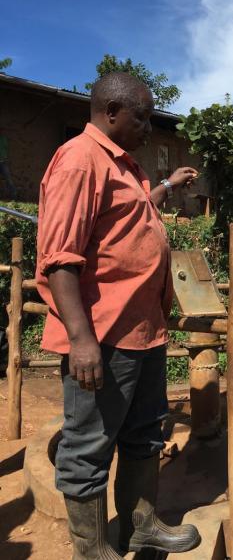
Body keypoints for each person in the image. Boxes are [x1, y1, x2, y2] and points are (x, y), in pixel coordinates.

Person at [36, 72, 201, 558]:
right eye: (143, 117)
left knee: (144, 434)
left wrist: (166, 186)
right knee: (88, 448)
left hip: (143, 331)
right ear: (111, 112)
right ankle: (91, 551)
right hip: (104, 337)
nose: (150, 127)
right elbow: (60, 259)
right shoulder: (79, 161)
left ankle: (139, 526)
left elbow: (129, 222)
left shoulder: (123, 166)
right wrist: (82, 340)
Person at [0, 128, 17, 199]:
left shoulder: (3, 139)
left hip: (3, 162)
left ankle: (14, 196)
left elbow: (5, 149)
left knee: (8, 179)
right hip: (3, 161)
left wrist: (5, 157)